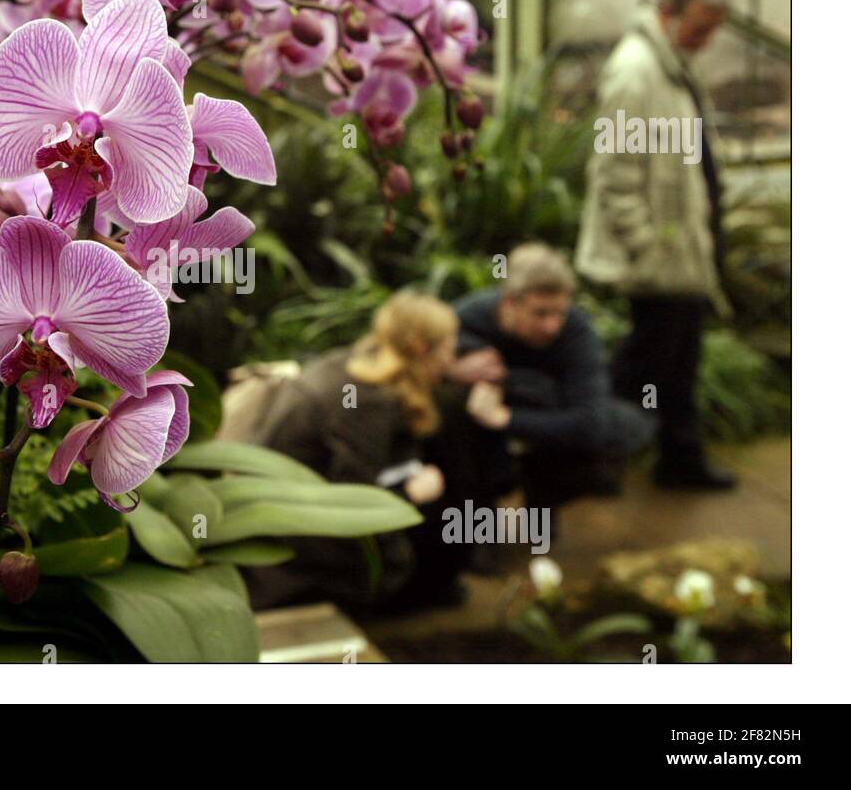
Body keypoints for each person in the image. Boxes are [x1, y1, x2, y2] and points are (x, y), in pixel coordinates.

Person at [239, 291, 508, 612]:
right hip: (297, 542)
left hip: (281, 505)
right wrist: (409, 493)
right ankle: (408, 595)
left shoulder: (356, 362)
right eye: (449, 348)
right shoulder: (367, 402)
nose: (452, 359)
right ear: (422, 349)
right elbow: (352, 498)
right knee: (450, 503)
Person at [576, 0, 736, 489]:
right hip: (659, 250)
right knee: (645, 360)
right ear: (668, 11)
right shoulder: (635, 72)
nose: (705, 40)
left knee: (678, 356)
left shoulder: (671, 67)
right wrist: (646, 244)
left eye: (712, 32)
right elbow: (613, 172)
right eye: (699, 28)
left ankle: (678, 459)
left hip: (680, 242)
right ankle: (596, 460)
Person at [449, 244, 654, 509]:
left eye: (559, 312)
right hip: (478, 437)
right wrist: (452, 369)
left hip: (537, 417)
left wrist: (504, 418)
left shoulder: (576, 330)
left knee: (623, 427)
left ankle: (542, 503)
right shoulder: (464, 319)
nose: (552, 326)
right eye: (540, 313)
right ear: (510, 302)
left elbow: (591, 422)